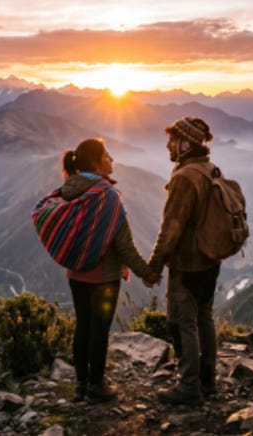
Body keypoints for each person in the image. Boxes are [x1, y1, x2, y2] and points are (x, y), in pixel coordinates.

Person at [58, 138, 153, 404]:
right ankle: (97, 386)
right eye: (107, 156)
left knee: (83, 327)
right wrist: (146, 271)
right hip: (104, 277)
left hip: (76, 273)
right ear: (96, 163)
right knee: (99, 331)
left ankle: (80, 385)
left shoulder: (68, 189)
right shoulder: (108, 196)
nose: (112, 160)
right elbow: (124, 246)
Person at [146, 116, 220, 406]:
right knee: (204, 318)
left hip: (187, 263)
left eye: (172, 140)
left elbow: (171, 228)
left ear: (185, 143)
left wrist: (154, 266)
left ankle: (189, 386)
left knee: (182, 323)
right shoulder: (209, 169)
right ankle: (208, 381)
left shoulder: (184, 178)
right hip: (210, 260)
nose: (168, 145)